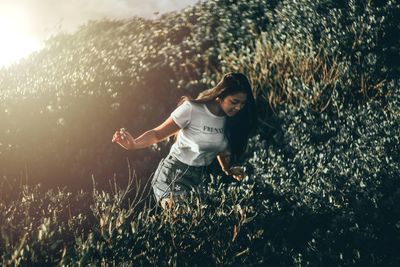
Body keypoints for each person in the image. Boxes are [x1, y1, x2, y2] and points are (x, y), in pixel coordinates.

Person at [112, 72, 256, 208]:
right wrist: (134, 144)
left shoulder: (230, 120)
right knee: (180, 219)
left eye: (242, 104)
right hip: (174, 174)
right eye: (234, 102)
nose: (238, 107)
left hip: (199, 180)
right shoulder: (192, 109)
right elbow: (157, 134)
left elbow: (221, 149)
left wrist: (227, 169)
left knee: (195, 227)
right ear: (220, 95)